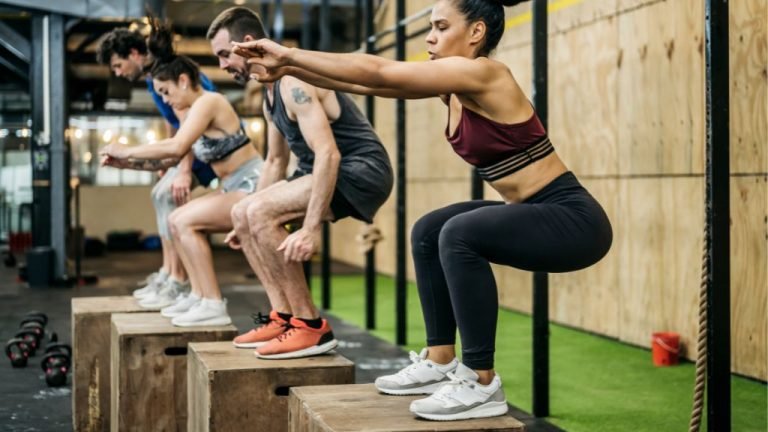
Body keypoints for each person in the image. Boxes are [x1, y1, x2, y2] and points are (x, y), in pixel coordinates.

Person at [235, 0, 613, 420]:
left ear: (476, 33)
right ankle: (439, 359)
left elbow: (379, 71)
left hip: (573, 219)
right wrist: (289, 70)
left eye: (440, 26)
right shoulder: (451, 86)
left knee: (459, 233)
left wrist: (287, 55)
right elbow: (370, 85)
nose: (429, 37)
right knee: (430, 229)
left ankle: (482, 381)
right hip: (534, 209)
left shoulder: (485, 73)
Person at [206, 7, 393, 359]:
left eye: (224, 54)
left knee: (259, 212)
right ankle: (284, 318)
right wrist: (242, 221)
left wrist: (310, 229)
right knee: (245, 211)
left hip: (362, 171)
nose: (222, 65)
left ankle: (311, 327)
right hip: (323, 170)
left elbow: (329, 154)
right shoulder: (269, 93)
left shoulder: (294, 83)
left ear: (247, 44)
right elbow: (275, 161)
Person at [101, 17, 264, 327]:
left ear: (184, 82)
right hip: (231, 186)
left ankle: (210, 302)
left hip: (252, 183)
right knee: (178, 218)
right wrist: (125, 164)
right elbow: (170, 152)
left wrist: (127, 151)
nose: (166, 100)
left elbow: (176, 148)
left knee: (182, 218)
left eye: (166, 92)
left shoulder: (208, 102)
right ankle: (200, 296)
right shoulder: (194, 110)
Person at [97, 27, 218, 306]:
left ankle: (177, 280)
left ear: (135, 54)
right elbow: (173, 121)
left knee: (168, 195)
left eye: (118, 64)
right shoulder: (154, 78)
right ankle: (168, 272)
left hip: (209, 148)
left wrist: (184, 170)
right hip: (193, 147)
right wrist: (168, 162)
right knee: (159, 192)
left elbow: (187, 119)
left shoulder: (166, 74)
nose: (118, 72)